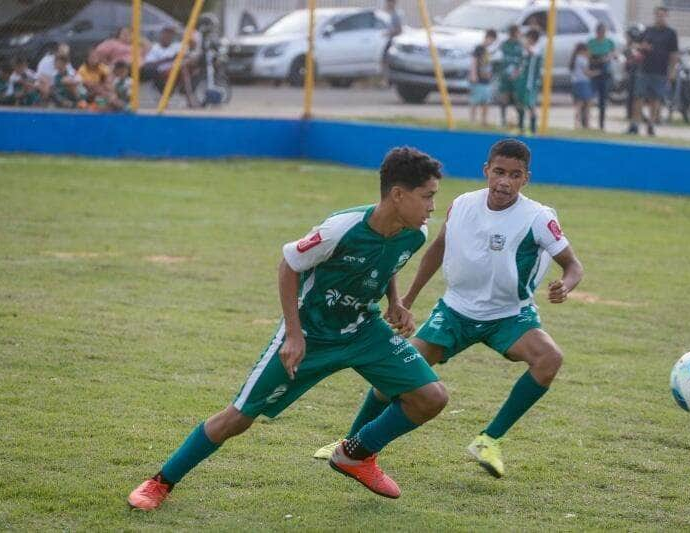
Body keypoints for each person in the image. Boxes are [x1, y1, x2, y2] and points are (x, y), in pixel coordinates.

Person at [127, 147, 449, 510]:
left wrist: (395, 303)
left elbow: (389, 263)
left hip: (364, 329)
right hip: (311, 335)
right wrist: (294, 335)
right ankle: (160, 482)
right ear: (397, 194)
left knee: (431, 397)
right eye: (428, 196)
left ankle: (356, 454)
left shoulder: (415, 232)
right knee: (238, 418)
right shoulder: (340, 229)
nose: (432, 207)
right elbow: (288, 266)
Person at [314, 139, 584, 479]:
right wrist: (406, 300)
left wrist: (566, 285)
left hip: (510, 315)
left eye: (515, 175)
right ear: (486, 170)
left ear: (525, 178)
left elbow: (573, 266)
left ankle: (489, 440)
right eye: (499, 172)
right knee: (394, 375)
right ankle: (350, 443)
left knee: (550, 358)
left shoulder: (538, 218)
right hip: (455, 310)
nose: (505, 181)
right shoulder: (462, 205)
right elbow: (436, 250)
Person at [627, 6, 678, 136]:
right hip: (644, 69)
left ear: (666, 16)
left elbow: (674, 54)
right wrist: (642, 46)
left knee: (655, 99)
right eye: (658, 15)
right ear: (655, 16)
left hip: (660, 71)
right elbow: (634, 45)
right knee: (638, 97)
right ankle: (635, 125)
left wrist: (671, 72)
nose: (660, 18)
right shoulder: (648, 31)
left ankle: (651, 125)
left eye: (663, 15)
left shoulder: (671, 33)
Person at [587, 23, 616, 131]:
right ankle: (586, 121)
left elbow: (612, 54)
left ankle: (601, 123)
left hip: (604, 72)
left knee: (603, 100)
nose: (601, 33)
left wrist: (607, 58)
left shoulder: (609, 42)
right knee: (589, 97)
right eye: (599, 31)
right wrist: (599, 59)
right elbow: (589, 56)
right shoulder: (592, 42)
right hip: (594, 69)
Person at [497, 25, 525, 132]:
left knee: (517, 99)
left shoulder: (520, 45)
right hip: (505, 77)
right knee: (504, 98)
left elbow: (523, 61)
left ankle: (521, 123)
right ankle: (503, 121)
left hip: (517, 78)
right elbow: (499, 58)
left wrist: (518, 72)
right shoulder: (504, 45)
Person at [468, 29, 497, 126]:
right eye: (491, 39)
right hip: (478, 79)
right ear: (487, 37)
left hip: (486, 79)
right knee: (475, 100)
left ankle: (484, 120)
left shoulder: (488, 50)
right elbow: (474, 61)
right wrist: (473, 74)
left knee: (486, 101)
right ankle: (472, 120)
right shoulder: (479, 48)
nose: (491, 42)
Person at [517, 29, 543, 135]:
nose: (527, 40)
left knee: (531, 105)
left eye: (528, 38)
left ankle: (533, 130)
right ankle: (521, 128)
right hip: (523, 81)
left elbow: (531, 51)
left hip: (531, 83)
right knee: (520, 103)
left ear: (533, 39)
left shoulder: (537, 49)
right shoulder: (526, 50)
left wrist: (521, 39)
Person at [570, 43, 595, 128]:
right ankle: (586, 123)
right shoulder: (582, 59)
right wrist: (596, 73)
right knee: (587, 104)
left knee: (578, 104)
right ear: (582, 51)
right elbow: (586, 72)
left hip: (576, 82)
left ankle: (577, 123)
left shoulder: (575, 59)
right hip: (583, 82)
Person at [380, 0, 404, 87]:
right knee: (384, 61)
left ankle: (388, 81)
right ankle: (387, 80)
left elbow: (399, 30)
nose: (388, 4)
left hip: (393, 41)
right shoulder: (388, 14)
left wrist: (388, 33)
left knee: (387, 61)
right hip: (388, 40)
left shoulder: (396, 15)